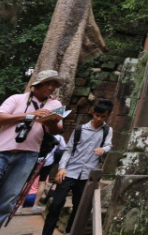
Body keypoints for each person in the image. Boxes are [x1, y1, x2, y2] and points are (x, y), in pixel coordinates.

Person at [0, 70, 64, 233]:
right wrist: (29, 115)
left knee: (8, 199)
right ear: (36, 84)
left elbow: (57, 130)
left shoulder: (56, 105)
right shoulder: (17, 99)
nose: (51, 87)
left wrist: (51, 121)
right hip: (1, 151)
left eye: (54, 85)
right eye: (47, 83)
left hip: (28, 155)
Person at [42, 99, 113, 235]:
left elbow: (109, 145)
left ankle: (70, 232)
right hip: (69, 171)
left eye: (102, 116)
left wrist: (104, 149)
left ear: (107, 115)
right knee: (56, 204)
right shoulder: (80, 129)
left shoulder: (107, 130)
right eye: (97, 115)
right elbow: (68, 150)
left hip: (87, 175)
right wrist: (62, 167)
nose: (98, 119)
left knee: (79, 207)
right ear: (92, 113)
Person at [33, 134, 67, 210]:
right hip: (48, 161)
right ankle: (35, 205)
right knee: (42, 182)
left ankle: (20, 204)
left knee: (28, 181)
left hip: (35, 159)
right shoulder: (59, 137)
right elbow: (64, 147)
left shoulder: (42, 132)